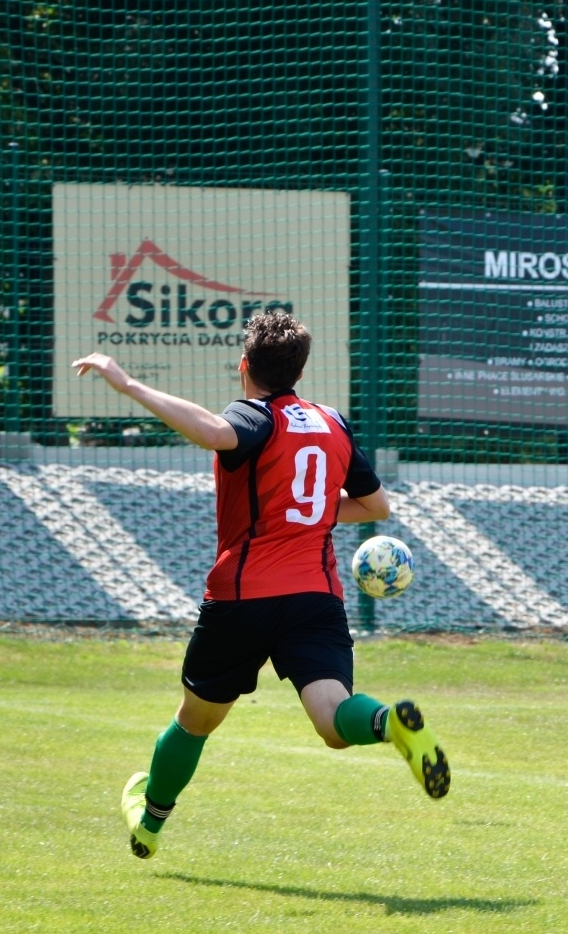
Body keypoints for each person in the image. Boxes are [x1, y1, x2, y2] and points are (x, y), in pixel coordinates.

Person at [73, 310, 449, 861]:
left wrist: (125, 382)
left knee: (196, 721)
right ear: (298, 370)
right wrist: (313, 518)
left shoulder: (253, 416)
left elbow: (214, 433)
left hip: (242, 596)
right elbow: (376, 506)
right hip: (315, 596)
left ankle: (150, 822)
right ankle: (388, 722)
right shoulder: (333, 423)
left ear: (245, 365)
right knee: (333, 720)